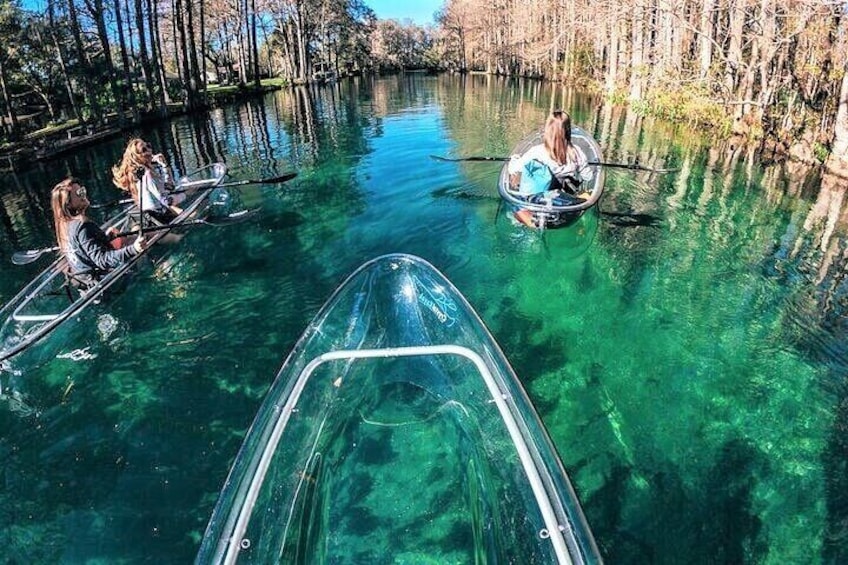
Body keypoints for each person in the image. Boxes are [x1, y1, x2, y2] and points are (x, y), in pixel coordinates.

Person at [51, 177, 147, 289]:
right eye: (79, 193)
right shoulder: (82, 225)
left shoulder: (65, 226)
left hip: (88, 286)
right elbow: (102, 260)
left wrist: (104, 238)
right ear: (68, 204)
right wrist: (134, 248)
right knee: (141, 249)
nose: (84, 195)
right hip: (109, 285)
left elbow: (85, 252)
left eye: (83, 190)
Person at [507, 110, 594, 225]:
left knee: (514, 203)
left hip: (537, 202)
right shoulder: (577, 153)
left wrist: (514, 159)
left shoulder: (537, 151)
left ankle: (527, 221)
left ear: (547, 130)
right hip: (563, 202)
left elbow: (513, 169)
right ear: (568, 131)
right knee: (585, 195)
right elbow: (588, 176)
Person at [112, 138, 185, 225]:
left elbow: (169, 187)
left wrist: (165, 166)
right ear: (137, 157)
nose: (149, 150)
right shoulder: (148, 174)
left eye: (148, 146)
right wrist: (182, 203)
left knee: (184, 185)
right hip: (157, 215)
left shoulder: (143, 173)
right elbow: (165, 201)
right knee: (185, 190)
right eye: (144, 150)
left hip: (152, 212)